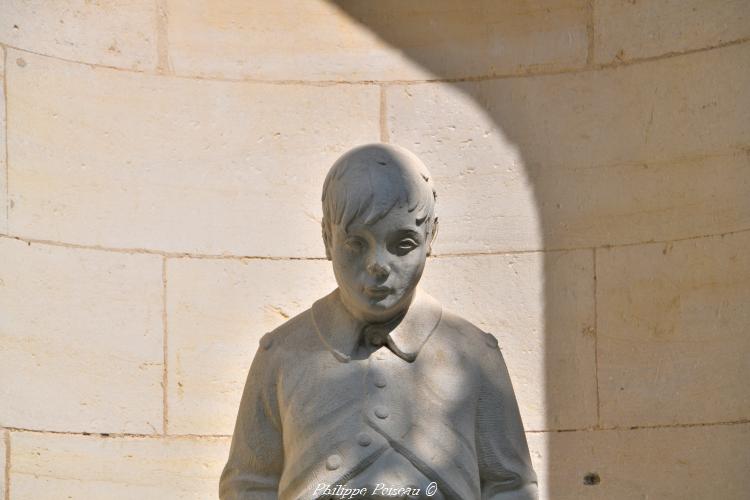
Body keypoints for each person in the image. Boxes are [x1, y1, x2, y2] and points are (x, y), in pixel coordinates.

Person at [220, 144, 537, 499]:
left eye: (402, 244)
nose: (378, 265)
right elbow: (249, 483)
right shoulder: (281, 353)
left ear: (430, 237)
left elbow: (510, 485)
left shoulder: (475, 355)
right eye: (356, 243)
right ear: (327, 239)